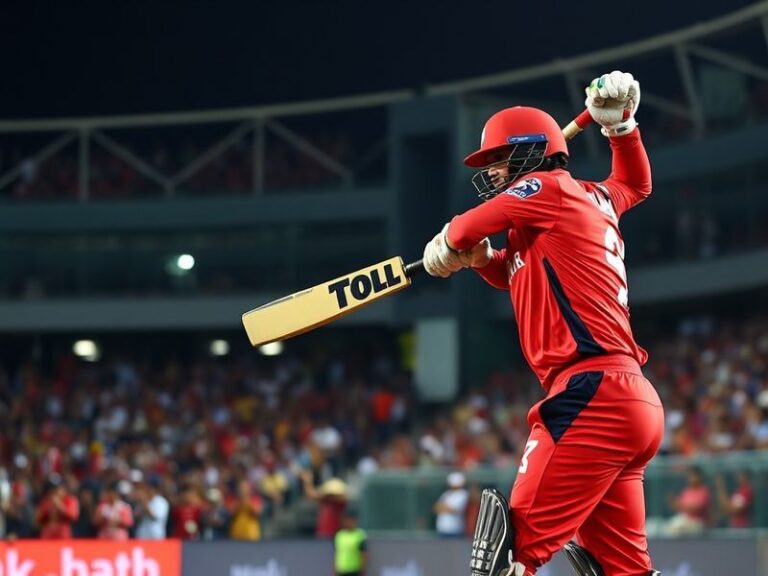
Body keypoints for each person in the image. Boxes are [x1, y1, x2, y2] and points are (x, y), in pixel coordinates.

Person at [423, 71, 663, 576]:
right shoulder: (585, 201)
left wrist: (448, 240)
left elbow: (467, 226)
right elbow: (633, 185)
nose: (492, 173)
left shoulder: (546, 189)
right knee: (623, 571)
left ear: (531, 153)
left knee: (506, 559)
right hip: (627, 397)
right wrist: (622, 130)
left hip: (590, 395)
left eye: (498, 159)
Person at [664, 466, 711, 536]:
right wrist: (672, 502)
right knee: (668, 527)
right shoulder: (686, 491)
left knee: (677, 528)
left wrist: (682, 506)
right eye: (690, 476)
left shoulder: (704, 490)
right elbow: (678, 507)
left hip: (698, 522)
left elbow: (697, 509)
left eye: (694, 476)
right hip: (685, 519)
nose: (692, 478)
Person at [35, 474, 80, 539]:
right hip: (47, 537)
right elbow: (37, 520)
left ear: (63, 489)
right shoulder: (45, 501)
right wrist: (49, 507)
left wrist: (59, 505)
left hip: (63, 538)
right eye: (52, 490)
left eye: (57, 489)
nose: (54, 492)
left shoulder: (70, 500)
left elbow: (73, 516)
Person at [432, 472, 469, 537]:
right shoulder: (446, 493)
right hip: (442, 528)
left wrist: (443, 507)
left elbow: (453, 509)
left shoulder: (463, 494)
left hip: (455, 529)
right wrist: (445, 507)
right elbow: (435, 508)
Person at [333, 509, 367, 576]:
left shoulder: (360, 535)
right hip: (341, 571)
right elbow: (337, 554)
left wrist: (362, 570)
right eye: (346, 520)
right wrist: (335, 571)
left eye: (350, 520)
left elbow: (364, 554)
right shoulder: (339, 535)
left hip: (354, 571)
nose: (347, 522)